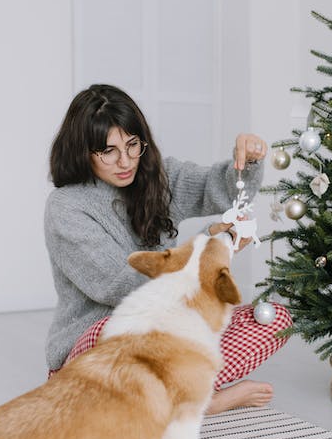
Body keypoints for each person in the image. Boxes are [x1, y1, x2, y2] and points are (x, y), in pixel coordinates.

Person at [44, 84, 291, 414]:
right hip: (97, 353)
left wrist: (247, 162)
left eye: (133, 145)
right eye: (109, 151)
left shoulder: (158, 177)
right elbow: (118, 287)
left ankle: (174, 400)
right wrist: (210, 246)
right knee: (120, 329)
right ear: (83, 152)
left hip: (168, 338)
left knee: (274, 319)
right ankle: (202, 402)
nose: (126, 161)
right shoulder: (66, 207)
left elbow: (219, 190)